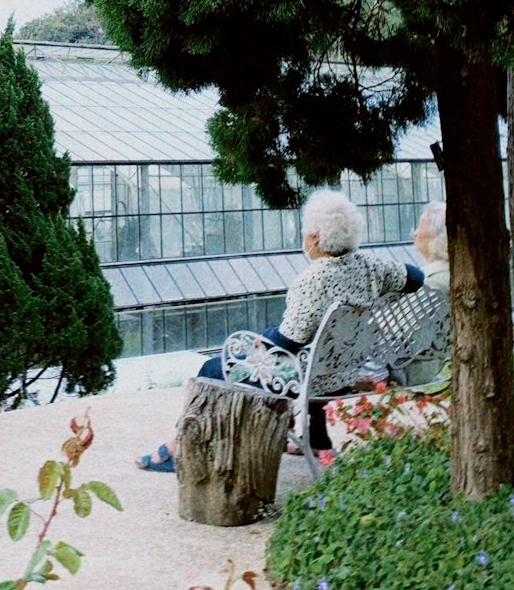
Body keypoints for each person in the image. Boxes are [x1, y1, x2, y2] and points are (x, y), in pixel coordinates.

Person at [136, 189, 424, 470]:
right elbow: (416, 277)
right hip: (343, 373)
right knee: (311, 357)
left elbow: (289, 341)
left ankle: (181, 448)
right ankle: (317, 442)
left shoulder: (313, 279)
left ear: (314, 237)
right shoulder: (370, 266)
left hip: (310, 380)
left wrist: (257, 341)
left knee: (213, 368)